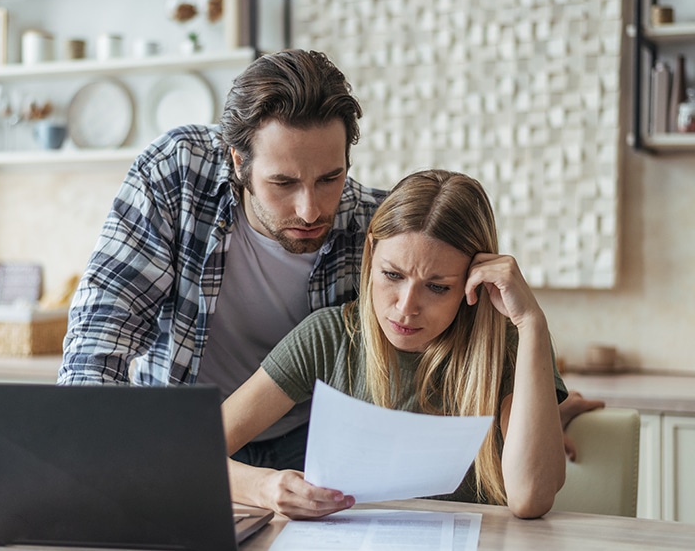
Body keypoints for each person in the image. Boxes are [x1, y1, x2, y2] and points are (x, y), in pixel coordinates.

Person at [57, 48, 597, 470]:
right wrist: (81, 452)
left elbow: (459, 331)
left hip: (312, 444)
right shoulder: (177, 174)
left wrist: (534, 417)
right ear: (238, 160)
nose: (311, 208)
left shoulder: (375, 226)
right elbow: (104, 325)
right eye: (283, 182)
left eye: (330, 177)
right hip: (187, 434)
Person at [222, 169, 567, 520]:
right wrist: (263, 487)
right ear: (371, 251)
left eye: (437, 287)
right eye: (392, 275)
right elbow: (191, 452)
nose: (406, 308)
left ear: (473, 283)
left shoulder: (509, 346)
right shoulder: (328, 337)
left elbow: (531, 498)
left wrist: (532, 323)